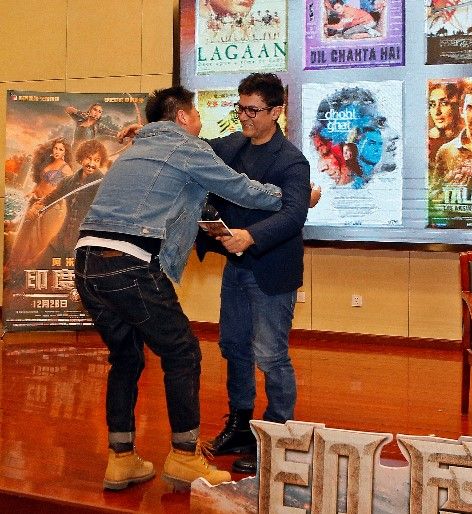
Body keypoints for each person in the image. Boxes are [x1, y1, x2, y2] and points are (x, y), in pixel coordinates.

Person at [74, 86, 284, 491]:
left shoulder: (136, 147)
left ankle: (121, 459)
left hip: (87, 263)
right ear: (184, 117)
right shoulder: (185, 147)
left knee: (126, 358)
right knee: (183, 352)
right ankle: (185, 457)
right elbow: (240, 188)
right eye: (198, 114)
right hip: (128, 262)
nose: (202, 122)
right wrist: (288, 197)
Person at [197, 73, 311, 476]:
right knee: (234, 347)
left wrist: (251, 236)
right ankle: (241, 426)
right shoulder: (233, 146)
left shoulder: (292, 161)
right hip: (237, 269)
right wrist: (150, 134)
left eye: (253, 110)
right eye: (240, 108)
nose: (244, 116)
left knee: (271, 355)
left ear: (276, 112)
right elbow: (194, 149)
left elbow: (295, 214)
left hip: (272, 271)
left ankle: (278, 437)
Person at [28, 139, 108, 268]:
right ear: (81, 158)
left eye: (97, 160)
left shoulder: (103, 185)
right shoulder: (69, 181)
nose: (91, 164)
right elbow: (52, 197)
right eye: (88, 158)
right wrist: (37, 206)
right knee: (37, 268)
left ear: (101, 162)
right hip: (59, 241)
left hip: (82, 247)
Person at [6, 137, 73, 269]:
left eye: (61, 149)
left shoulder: (66, 168)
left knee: (37, 241)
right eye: (55, 148)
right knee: (22, 234)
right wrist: (32, 191)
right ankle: (13, 265)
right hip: (34, 202)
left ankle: (25, 268)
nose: (57, 151)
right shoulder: (49, 163)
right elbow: (41, 183)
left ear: (65, 152)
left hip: (48, 206)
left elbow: (67, 189)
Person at [428, 82, 461, 160]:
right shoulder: (425, 141)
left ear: (456, 107)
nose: (437, 112)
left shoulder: (465, 140)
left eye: (444, 103)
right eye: (432, 104)